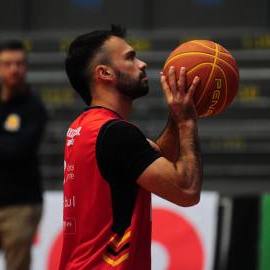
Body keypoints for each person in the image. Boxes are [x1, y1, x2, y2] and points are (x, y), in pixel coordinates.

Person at [60, 25, 202, 269]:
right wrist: (187, 123)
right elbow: (186, 190)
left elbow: (153, 158)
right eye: (130, 57)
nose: (142, 63)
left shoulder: (85, 127)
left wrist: (177, 115)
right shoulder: (116, 134)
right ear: (104, 73)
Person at [0, 40, 47, 270]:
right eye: (7, 64)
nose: (14, 69)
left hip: (21, 205)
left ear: (25, 68)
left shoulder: (34, 108)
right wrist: (2, 143)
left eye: (19, 63)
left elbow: (20, 149)